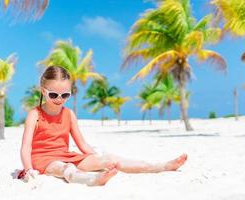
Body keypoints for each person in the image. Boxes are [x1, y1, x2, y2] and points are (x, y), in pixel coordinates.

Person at [20, 66, 188, 187]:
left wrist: (98, 160)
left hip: (66, 155)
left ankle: (162, 166)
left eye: (65, 95)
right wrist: (28, 169)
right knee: (67, 169)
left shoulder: (69, 114)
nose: (60, 99)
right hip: (43, 160)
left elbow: (82, 144)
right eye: (54, 94)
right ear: (43, 91)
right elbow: (26, 147)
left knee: (110, 159)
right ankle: (93, 181)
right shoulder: (35, 114)